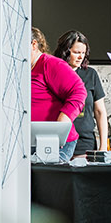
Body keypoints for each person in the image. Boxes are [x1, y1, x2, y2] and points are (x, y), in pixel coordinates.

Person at [29, 27, 86, 163]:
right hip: (30, 140)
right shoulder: (23, 68)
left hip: (55, 142)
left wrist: (60, 126)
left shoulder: (50, 64)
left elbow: (79, 92)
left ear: (34, 44)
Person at [54, 30, 107, 158]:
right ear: (65, 52)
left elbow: (100, 112)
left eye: (83, 53)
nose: (80, 57)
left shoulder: (91, 74)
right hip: (57, 142)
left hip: (85, 143)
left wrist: (103, 146)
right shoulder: (53, 72)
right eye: (76, 52)